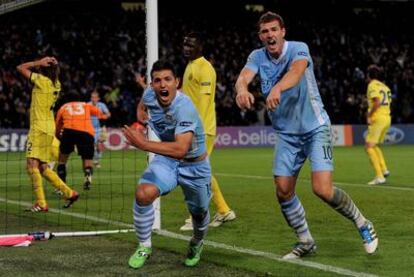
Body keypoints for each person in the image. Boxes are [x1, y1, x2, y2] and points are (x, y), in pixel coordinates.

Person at [235, 11, 378, 259]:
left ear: (283, 32)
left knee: (322, 189)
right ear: (260, 36)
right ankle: (306, 241)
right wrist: (241, 90)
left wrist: (278, 87)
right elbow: (243, 77)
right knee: (283, 190)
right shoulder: (257, 56)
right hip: (286, 135)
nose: (269, 35)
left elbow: (297, 71)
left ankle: (363, 223)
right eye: (264, 31)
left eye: (273, 30)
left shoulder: (299, 49)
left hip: (316, 129)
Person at [123, 60, 211, 268]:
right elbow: (144, 99)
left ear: (177, 82)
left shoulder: (185, 107)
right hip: (168, 160)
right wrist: (141, 111)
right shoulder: (149, 94)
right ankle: (144, 245)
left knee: (199, 212)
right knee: (144, 193)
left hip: (194, 165)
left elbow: (181, 149)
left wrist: (144, 144)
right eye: (157, 81)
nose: (163, 85)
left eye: (168, 80)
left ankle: (197, 242)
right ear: (152, 84)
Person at [178, 32, 235, 231]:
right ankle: (224, 210)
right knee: (200, 171)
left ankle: (196, 216)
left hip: (202, 129)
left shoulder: (205, 68)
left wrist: (194, 130)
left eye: (190, 45)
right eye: (184, 44)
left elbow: (203, 102)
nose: (186, 48)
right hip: (192, 127)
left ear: (200, 46)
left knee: (195, 171)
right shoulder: (190, 66)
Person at [16, 56, 79, 212]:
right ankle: (69, 192)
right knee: (43, 166)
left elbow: (20, 67)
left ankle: (41, 202)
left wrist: (37, 62)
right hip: (49, 126)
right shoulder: (57, 84)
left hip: (38, 127)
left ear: (43, 69)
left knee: (31, 165)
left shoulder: (41, 80)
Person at [55, 91, 109, 190]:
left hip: (69, 131)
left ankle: (62, 185)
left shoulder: (63, 107)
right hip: (86, 133)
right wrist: (103, 126)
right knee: (87, 159)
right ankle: (88, 176)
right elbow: (101, 114)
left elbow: (58, 125)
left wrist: (59, 136)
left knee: (62, 160)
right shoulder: (86, 105)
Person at [364, 65, 391, 185]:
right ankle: (384, 170)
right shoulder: (385, 87)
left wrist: (369, 115)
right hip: (387, 117)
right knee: (374, 145)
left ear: (369, 75)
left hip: (378, 118)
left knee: (369, 146)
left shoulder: (372, 85)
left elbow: (377, 102)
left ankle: (379, 176)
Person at [89, 90, 111, 168]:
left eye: (95, 97)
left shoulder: (101, 105)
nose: (93, 99)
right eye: (92, 97)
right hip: (90, 128)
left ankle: (97, 160)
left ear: (98, 98)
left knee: (98, 144)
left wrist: (103, 116)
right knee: (93, 145)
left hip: (100, 128)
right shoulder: (88, 105)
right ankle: (95, 160)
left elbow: (108, 114)